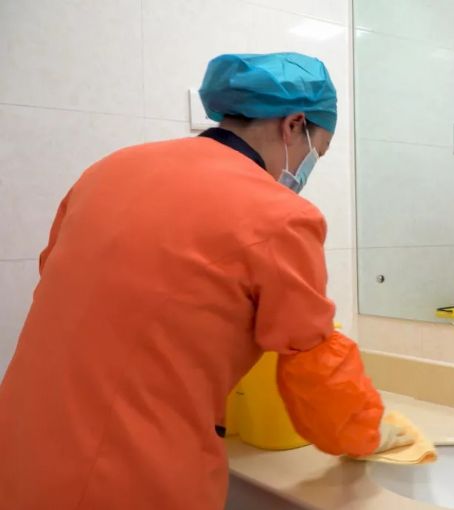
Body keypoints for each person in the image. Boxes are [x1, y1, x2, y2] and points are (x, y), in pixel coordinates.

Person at [0, 53, 412, 510]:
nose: (308, 167)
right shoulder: (279, 215)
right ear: (294, 125)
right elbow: (314, 365)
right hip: (131, 477)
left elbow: (62, 281)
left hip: (20, 449)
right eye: (319, 150)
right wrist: (366, 432)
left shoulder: (108, 170)